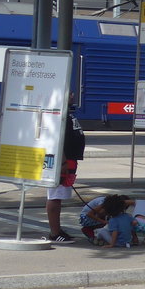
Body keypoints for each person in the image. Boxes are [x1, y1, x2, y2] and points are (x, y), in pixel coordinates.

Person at [45, 98, 86, 244]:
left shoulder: (67, 113)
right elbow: (55, 139)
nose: (73, 95)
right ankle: (55, 233)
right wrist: (62, 162)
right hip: (61, 161)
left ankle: (58, 229)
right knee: (55, 196)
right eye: (70, 93)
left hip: (69, 159)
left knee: (59, 195)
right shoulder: (57, 114)